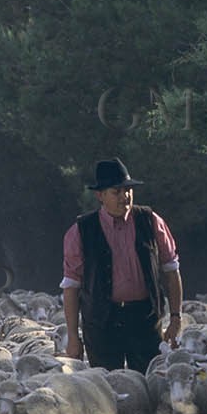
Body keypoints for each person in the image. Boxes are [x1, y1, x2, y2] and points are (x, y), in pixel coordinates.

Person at [60, 158, 182, 370]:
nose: (124, 196)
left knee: (151, 378)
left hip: (144, 319)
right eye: (116, 192)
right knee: (106, 382)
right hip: (101, 323)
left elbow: (172, 271)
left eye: (128, 190)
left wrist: (175, 316)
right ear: (100, 195)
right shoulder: (81, 231)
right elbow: (71, 286)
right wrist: (73, 337)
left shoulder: (151, 221)